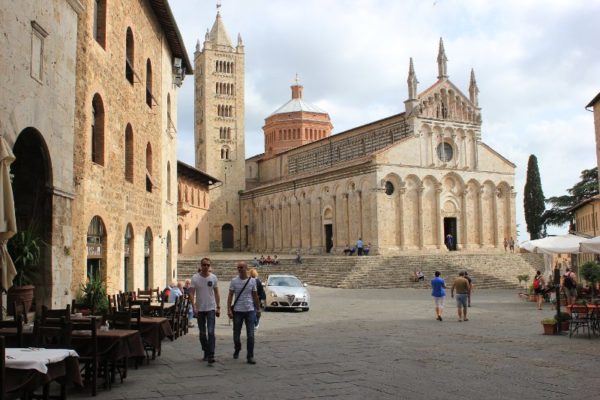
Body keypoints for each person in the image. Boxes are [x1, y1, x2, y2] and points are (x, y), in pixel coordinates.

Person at [227, 261, 261, 364]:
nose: (240, 269)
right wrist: (229, 309)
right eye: (238, 267)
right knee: (236, 334)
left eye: (242, 267)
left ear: (246, 268)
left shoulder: (252, 281)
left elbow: (255, 296)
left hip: (250, 310)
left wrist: (258, 309)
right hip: (238, 311)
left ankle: (250, 356)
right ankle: (237, 347)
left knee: (251, 335)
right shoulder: (234, 281)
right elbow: (230, 296)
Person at [189, 257, 221, 364]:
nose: (206, 267)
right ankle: (206, 351)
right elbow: (191, 293)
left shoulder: (213, 278)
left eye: (208, 265)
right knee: (202, 333)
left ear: (209, 266)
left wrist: (218, 307)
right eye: (204, 265)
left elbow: (216, 293)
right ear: (201, 265)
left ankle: (211, 355)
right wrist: (194, 307)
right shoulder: (195, 278)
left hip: (211, 308)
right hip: (200, 309)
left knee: (211, 332)